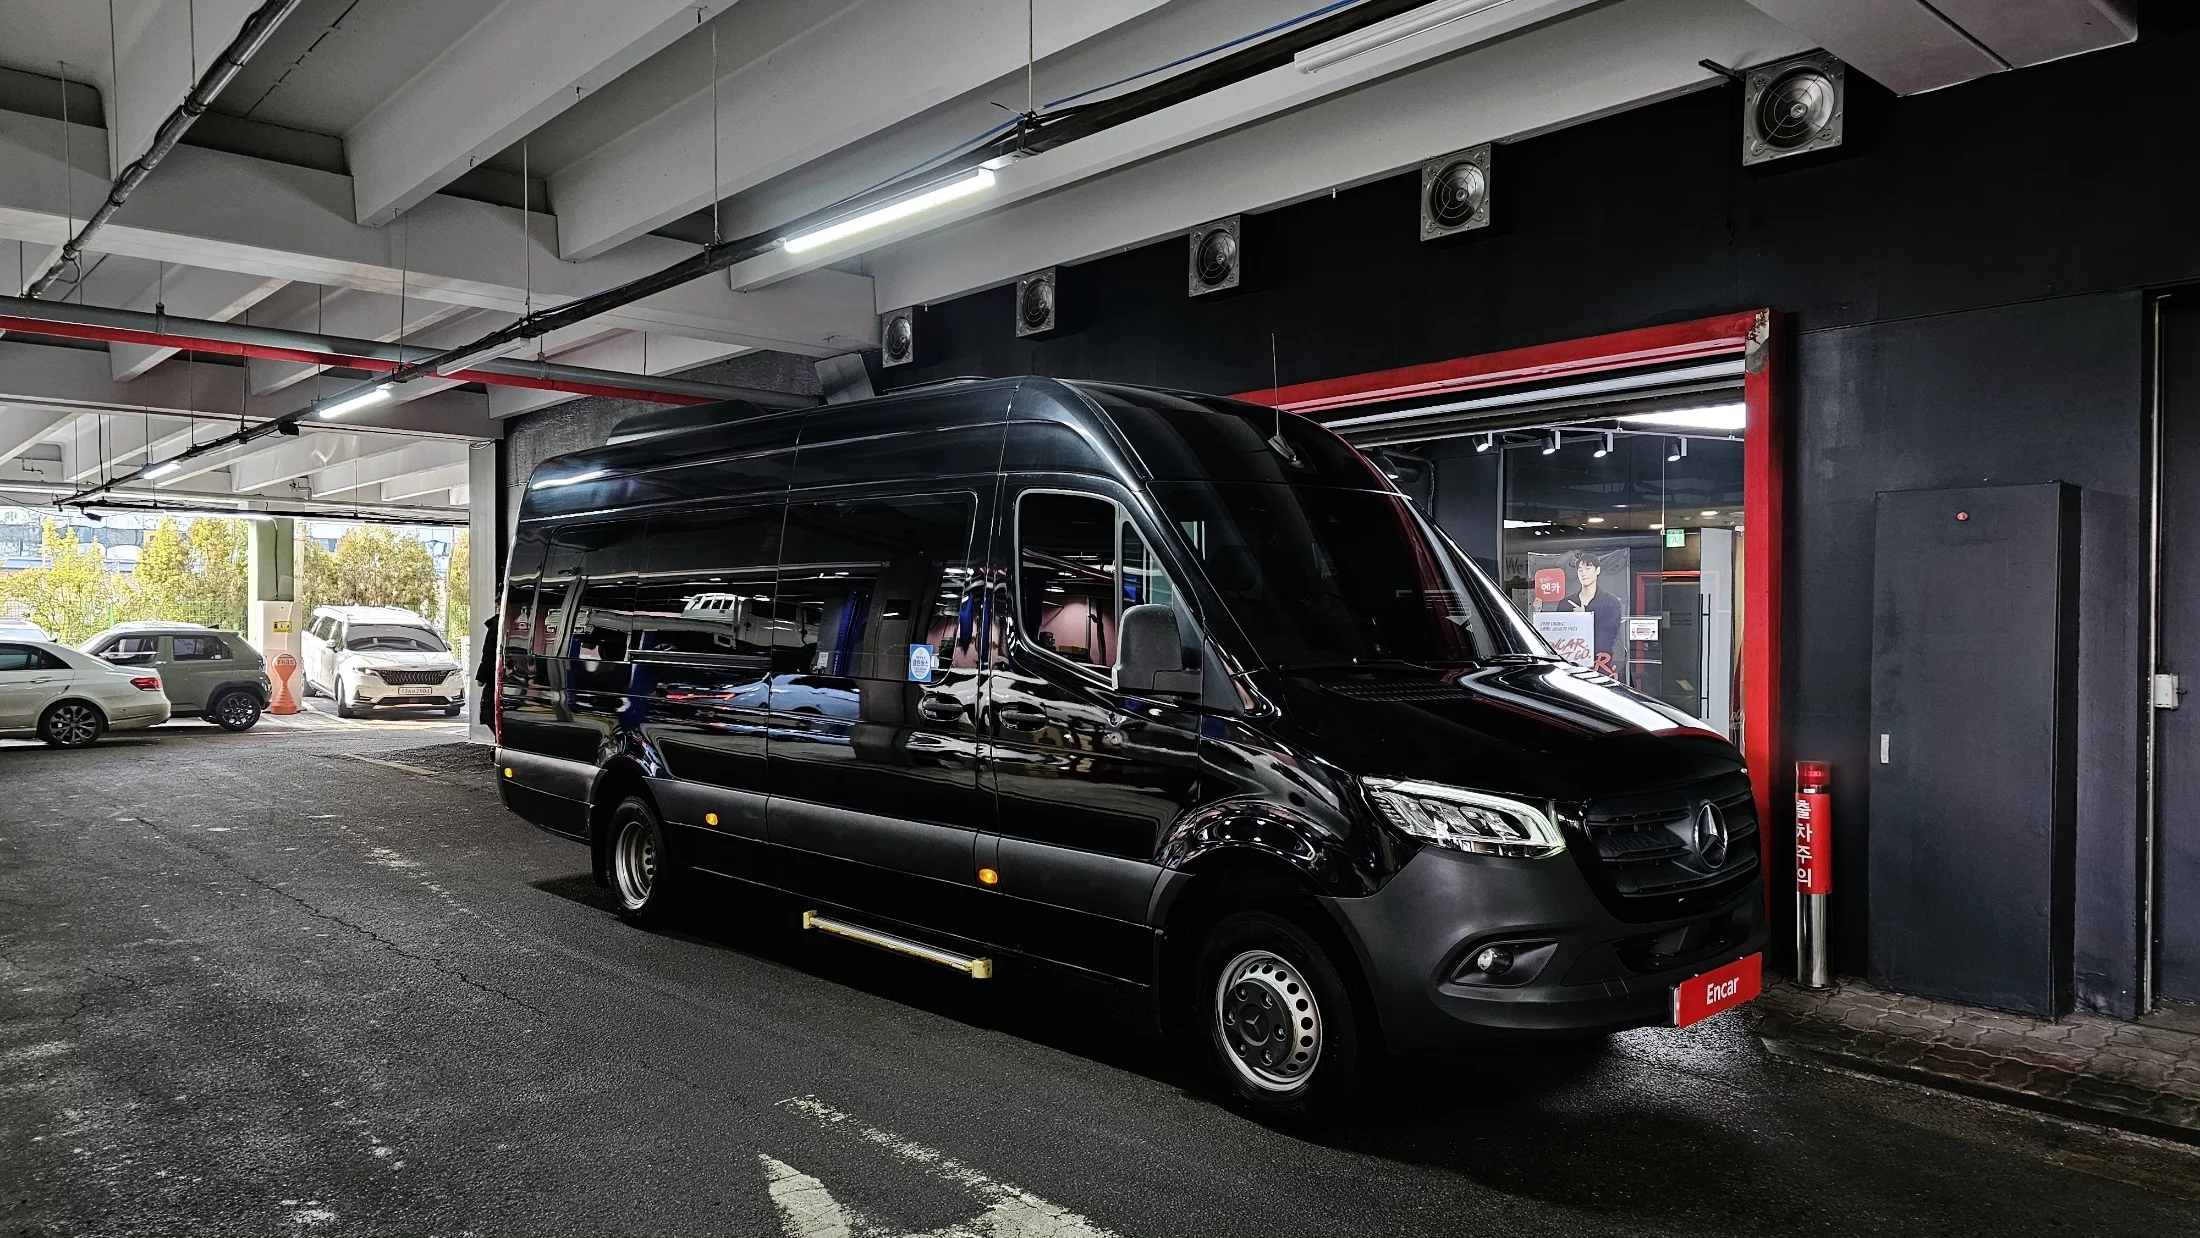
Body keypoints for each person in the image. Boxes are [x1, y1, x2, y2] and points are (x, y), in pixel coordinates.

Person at [1562, 552, 1623, 664]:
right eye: (1580, 570)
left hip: (1600, 663)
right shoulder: (1566, 603)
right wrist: (1537, 612)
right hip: (1570, 662)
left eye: (1588, 569)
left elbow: (1608, 636)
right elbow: (1558, 634)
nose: (1583, 573)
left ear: (1597, 570)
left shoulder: (1611, 602)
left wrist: (1586, 617)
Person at [475, 611, 499, 725]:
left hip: (493, 676)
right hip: (499, 674)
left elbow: (489, 653)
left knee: (489, 712)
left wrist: (482, 677)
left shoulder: (496, 625)